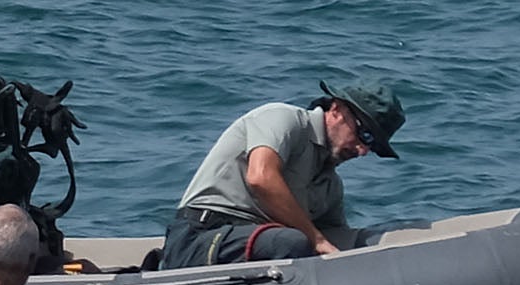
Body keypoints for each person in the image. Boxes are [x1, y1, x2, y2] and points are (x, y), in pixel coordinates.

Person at [163, 77, 406, 271]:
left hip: (256, 243)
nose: (363, 150)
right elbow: (261, 178)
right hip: (201, 235)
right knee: (292, 242)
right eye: (364, 136)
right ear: (336, 109)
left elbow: (335, 241)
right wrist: (316, 239)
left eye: (373, 147)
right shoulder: (283, 119)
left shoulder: (330, 187)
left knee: (296, 244)